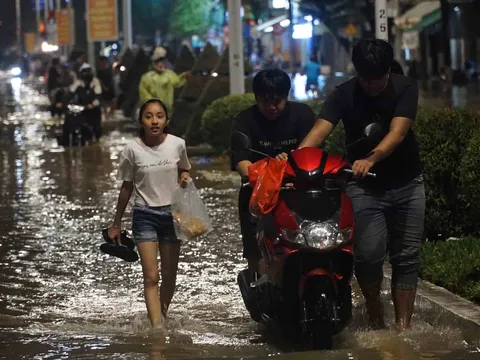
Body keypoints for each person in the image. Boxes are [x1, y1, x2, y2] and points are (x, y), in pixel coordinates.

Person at [296, 39, 425, 332]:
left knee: (406, 256)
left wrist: (371, 158)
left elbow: (398, 132)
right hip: (363, 187)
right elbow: (319, 132)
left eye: (377, 78)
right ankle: (374, 309)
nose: (370, 85)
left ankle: (403, 328)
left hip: (407, 182)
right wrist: (294, 164)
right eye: (365, 79)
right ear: (357, 72)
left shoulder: (405, 87)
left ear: (387, 72)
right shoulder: (344, 94)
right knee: (367, 255)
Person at [107, 98, 191, 326]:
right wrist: (116, 224)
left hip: (173, 216)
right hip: (144, 216)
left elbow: (183, 169)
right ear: (141, 121)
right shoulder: (131, 149)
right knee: (151, 277)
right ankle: (157, 331)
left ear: (166, 120)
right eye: (149, 116)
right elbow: (126, 188)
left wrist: (184, 177)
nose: (155, 121)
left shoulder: (177, 144)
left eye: (159, 116)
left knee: (170, 276)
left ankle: (161, 316)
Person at [230, 69, 316, 276]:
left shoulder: (302, 115)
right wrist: (268, 170)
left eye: (277, 100)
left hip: (298, 192)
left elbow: (316, 153)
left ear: (287, 96)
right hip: (258, 195)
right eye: (264, 101)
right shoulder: (244, 120)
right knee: (255, 253)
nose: (271, 107)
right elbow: (241, 162)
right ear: (256, 98)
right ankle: (256, 285)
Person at [138, 47, 191, 114]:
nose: (160, 64)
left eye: (162, 61)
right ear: (154, 62)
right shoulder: (146, 77)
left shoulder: (169, 74)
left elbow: (177, 82)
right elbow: (144, 94)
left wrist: (183, 76)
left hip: (167, 110)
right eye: (158, 62)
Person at [65, 63, 103, 141]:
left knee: (97, 128)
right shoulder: (78, 83)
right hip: (82, 109)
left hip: (94, 109)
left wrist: (92, 104)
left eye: (87, 71)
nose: (86, 74)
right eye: (84, 72)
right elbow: (70, 94)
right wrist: (63, 103)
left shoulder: (96, 82)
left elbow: (98, 97)